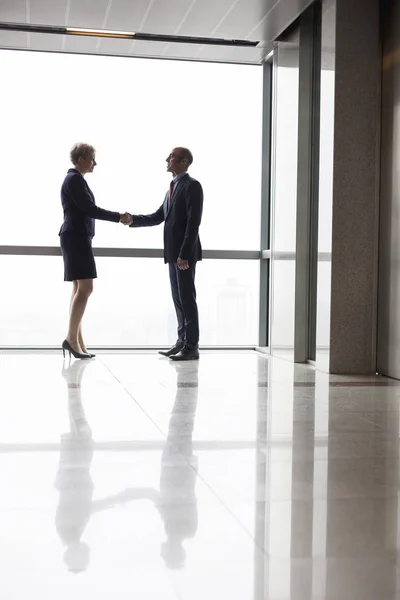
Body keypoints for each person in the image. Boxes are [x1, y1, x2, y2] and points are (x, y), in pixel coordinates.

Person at [124, 147, 203, 361]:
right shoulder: (171, 189)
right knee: (178, 299)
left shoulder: (192, 186)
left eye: (171, 156)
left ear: (184, 161)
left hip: (183, 256)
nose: (167, 159)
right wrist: (133, 220)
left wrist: (184, 254)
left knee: (187, 299)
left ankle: (192, 346)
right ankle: (181, 342)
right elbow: (158, 216)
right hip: (172, 255)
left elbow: (193, 223)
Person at [59, 143, 131, 359]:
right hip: (77, 237)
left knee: (79, 288)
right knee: (86, 288)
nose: (95, 163)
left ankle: (76, 340)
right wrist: (119, 216)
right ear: (81, 158)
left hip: (77, 237)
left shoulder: (75, 179)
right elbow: (89, 209)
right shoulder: (74, 180)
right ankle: (72, 339)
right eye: (92, 158)